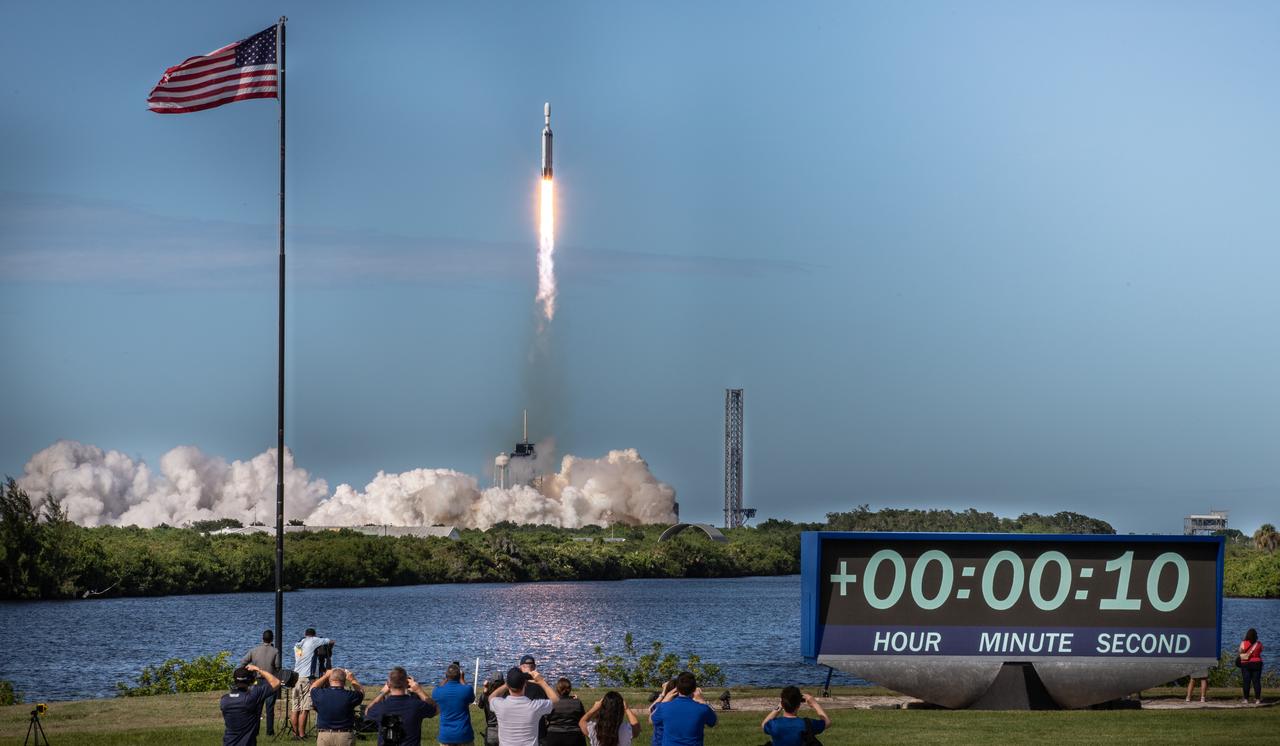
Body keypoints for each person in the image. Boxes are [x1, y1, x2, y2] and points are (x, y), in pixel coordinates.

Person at [365, 666, 439, 746]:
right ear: (407, 683)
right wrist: (419, 691)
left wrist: (383, 692)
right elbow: (436, 709)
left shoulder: (380, 707)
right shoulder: (417, 705)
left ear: (389, 684)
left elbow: (367, 711)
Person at [489, 666, 559, 746]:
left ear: (508, 686)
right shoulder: (534, 707)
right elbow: (555, 700)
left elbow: (491, 697)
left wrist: (506, 685)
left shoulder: (500, 705)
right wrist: (541, 682)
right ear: (525, 684)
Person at [221, 663, 281, 746]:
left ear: (235, 680)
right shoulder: (253, 695)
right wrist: (258, 669)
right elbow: (276, 682)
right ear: (251, 680)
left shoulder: (224, 700)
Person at [648, 672, 715, 746]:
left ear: (677, 688)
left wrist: (664, 699)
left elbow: (651, 719)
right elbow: (714, 721)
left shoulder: (664, 707)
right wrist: (702, 701)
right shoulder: (702, 709)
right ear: (694, 689)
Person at [291, 628, 336, 738]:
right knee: (305, 709)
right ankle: (302, 735)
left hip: (295, 677)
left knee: (295, 708)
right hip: (307, 678)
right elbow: (330, 641)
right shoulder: (313, 640)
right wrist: (327, 645)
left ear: (304, 634)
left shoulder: (297, 644)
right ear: (313, 635)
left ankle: (294, 734)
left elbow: (302, 655)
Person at [309, 667, 365, 746]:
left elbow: (312, 688)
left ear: (329, 680)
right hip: (345, 735)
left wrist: (325, 676)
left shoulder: (320, 694)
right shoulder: (350, 696)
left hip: (324, 735)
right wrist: (353, 679)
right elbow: (361, 693)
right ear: (344, 681)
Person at [241, 630, 281, 736]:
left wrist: (248, 674)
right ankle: (270, 732)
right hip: (270, 682)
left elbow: (243, 662)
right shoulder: (275, 651)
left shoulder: (254, 650)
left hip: (257, 681)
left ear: (262, 638)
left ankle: (255, 731)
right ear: (272, 639)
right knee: (270, 708)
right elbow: (278, 667)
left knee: (257, 707)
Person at [759, 687, 830, 746]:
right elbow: (827, 722)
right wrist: (814, 704)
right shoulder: (807, 724)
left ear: (782, 704)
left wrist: (778, 707)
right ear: (798, 705)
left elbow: (764, 725)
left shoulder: (775, 725)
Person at [431, 662, 475, 746]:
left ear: (446, 676)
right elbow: (472, 698)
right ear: (459, 675)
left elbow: (439, 687)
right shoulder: (467, 690)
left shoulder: (437, 691)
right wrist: (462, 679)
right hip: (464, 735)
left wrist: (446, 678)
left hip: (446, 736)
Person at [544, 678, 586, 746]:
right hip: (574, 735)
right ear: (570, 689)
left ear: (557, 689)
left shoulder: (552, 703)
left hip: (554, 735)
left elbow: (546, 718)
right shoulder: (577, 702)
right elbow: (583, 718)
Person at [478, 675, 506, 746]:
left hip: (491, 728)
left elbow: (480, 706)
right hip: (504, 729)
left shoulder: (486, 695)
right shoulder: (507, 695)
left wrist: (485, 689)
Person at [646, 680, 676, 746]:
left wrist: (663, 693)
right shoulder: (684, 706)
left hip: (659, 742)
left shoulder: (660, 707)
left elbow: (650, 710)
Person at [1239, 628, 1264, 705]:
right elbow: (1261, 650)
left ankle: (1246, 699)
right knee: (1256, 682)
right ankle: (1257, 699)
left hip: (1245, 663)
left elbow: (1240, 651)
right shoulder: (1259, 644)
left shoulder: (1244, 643)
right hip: (1257, 663)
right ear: (1256, 636)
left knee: (1246, 681)